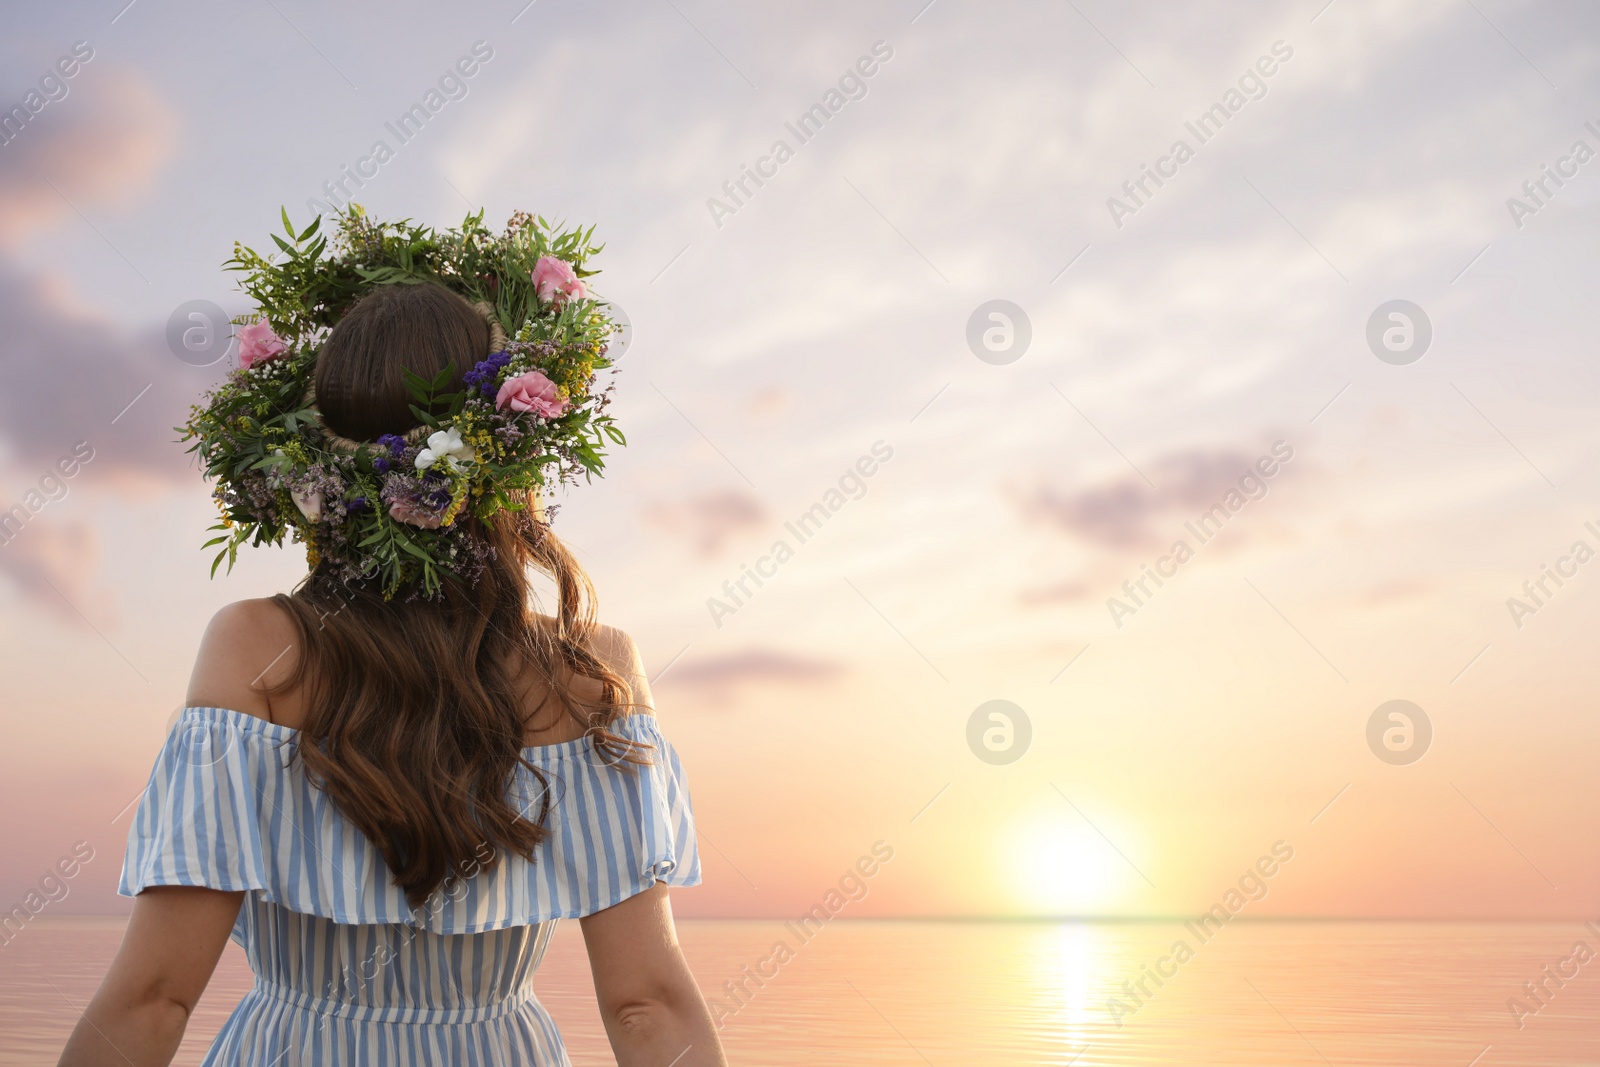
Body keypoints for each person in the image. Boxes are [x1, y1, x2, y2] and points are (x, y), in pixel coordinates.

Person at [56, 248, 728, 1066]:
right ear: (509, 450)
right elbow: (646, 1004)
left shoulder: (255, 649)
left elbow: (155, 998)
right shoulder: (591, 671)